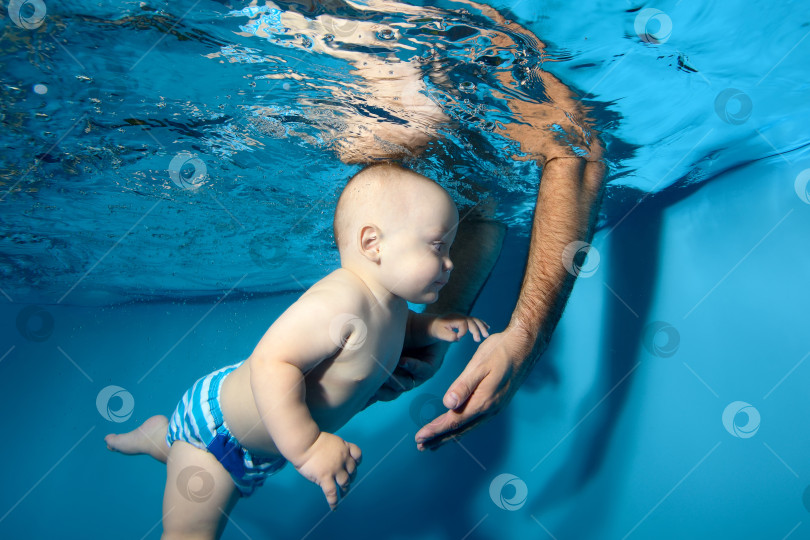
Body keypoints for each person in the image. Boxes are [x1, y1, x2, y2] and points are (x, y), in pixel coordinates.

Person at [104, 163, 489, 538]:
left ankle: (156, 434)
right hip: (218, 438)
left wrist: (431, 327)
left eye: (451, 248)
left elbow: (400, 329)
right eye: (438, 246)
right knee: (191, 531)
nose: (451, 263)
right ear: (373, 244)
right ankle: (167, 437)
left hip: (267, 452)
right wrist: (307, 448)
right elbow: (272, 362)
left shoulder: (394, 303)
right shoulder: (341, 301)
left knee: (170, 443)